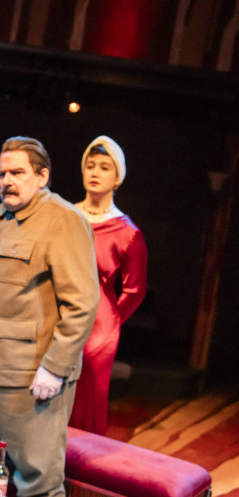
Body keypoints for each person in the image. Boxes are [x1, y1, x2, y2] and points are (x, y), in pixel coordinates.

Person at [0, 136, 99, 496]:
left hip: (26, 375)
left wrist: (56, 367)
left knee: (36, 478)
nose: (6, 181)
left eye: (16, 172)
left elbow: (83, 303)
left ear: (42, 176)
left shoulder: (64, 219)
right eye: (1, 173)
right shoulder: (2, 213)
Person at [68, 136, 148, 435]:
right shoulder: (66, 215)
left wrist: (110, 323)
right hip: (54, 316)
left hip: (96, 330)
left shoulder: (127, 232)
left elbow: (135, 290)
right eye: (90, 165)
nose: (95, 172)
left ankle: (77, 477)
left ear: (117, 178)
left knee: (83, 407)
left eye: (104, 167)